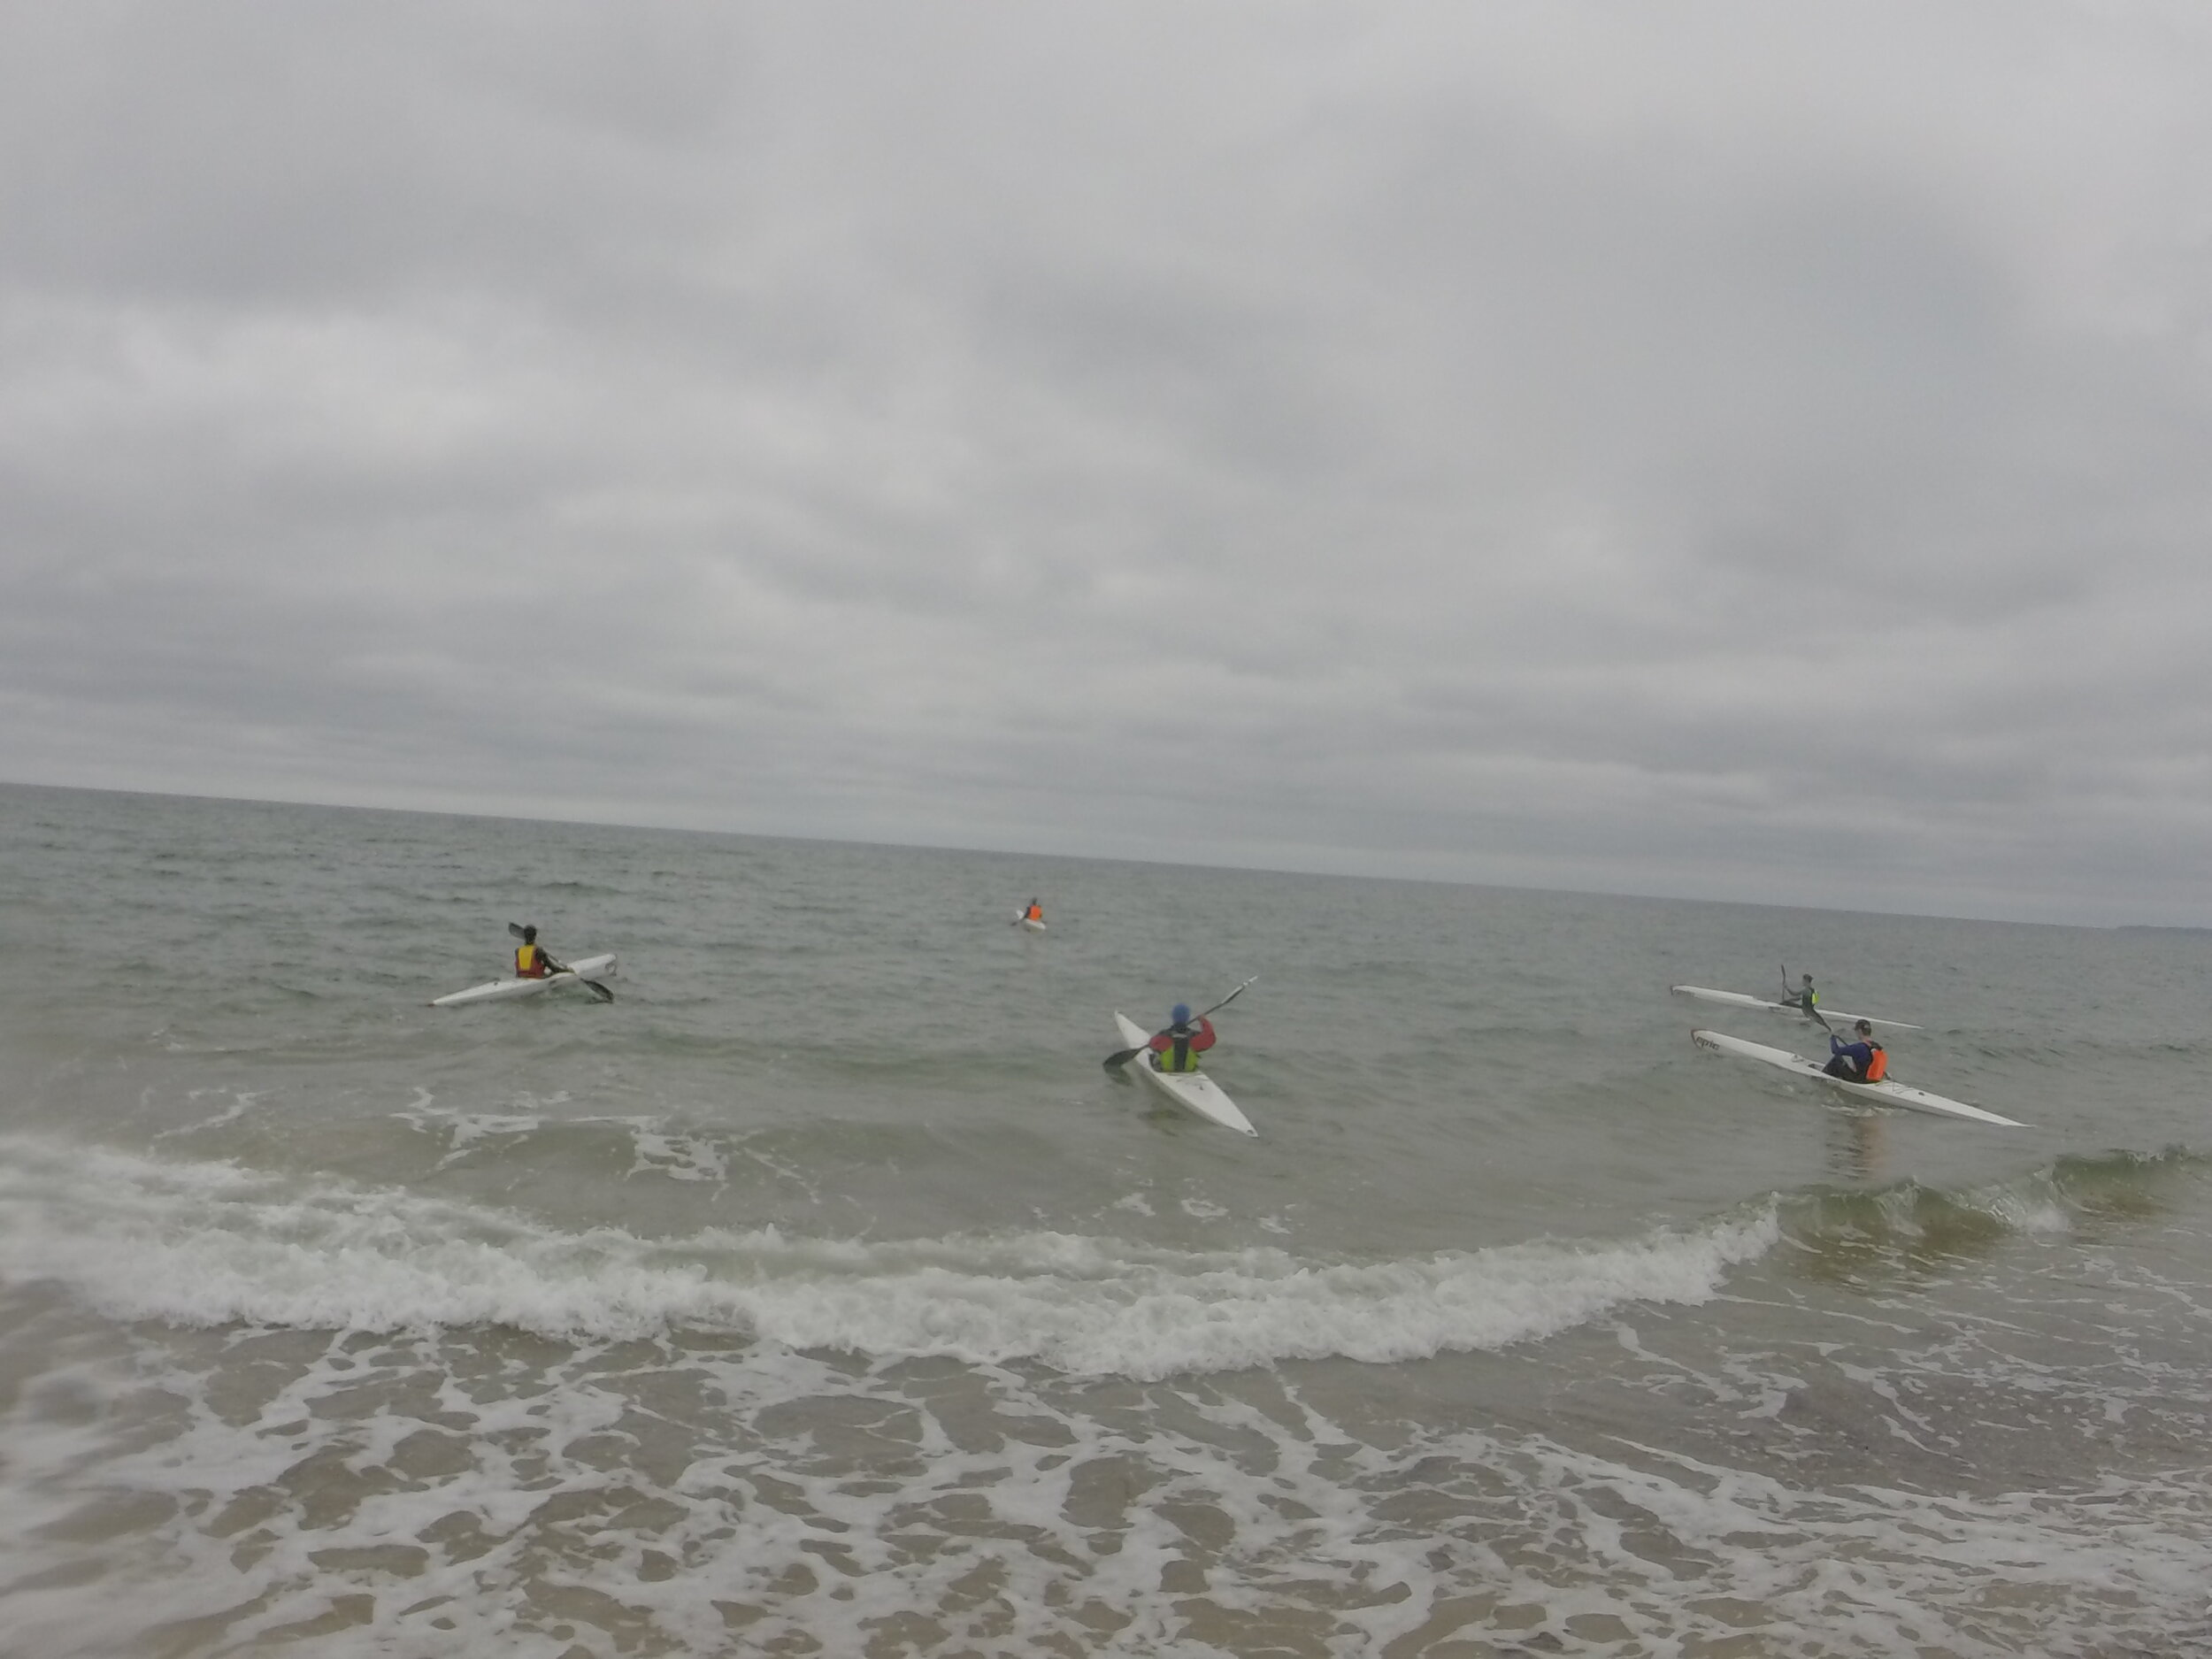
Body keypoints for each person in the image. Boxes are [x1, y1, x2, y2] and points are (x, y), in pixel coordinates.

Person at [1148, 1002, 1217, 1074]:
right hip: (1188, 1071)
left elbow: (1151, 1044)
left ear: (1173, 1017)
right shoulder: (1194, 1038)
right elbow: (1210, 1037)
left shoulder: (1164, 1036)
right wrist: (1203, 1020)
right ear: (1187, 1018)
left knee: (1155, 1055)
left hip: (1166, 1070)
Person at [1823, 1019, 1887, 1083]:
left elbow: (1835, 1050)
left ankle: (1820, 1077)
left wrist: (1832, 1038)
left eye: (1855, 1030)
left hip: (1859, 1081)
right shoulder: (1876, 1046)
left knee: (1837, 1060)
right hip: (1871, 1080)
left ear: (1859, 1031)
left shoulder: (1859, 1047)